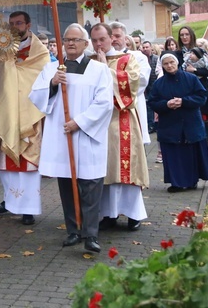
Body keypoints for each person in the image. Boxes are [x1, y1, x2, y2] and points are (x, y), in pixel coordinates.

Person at [29, 24, 113, 253]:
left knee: (91, 184)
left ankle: (91, 234)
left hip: (86, 134)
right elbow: (36, 97)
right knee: (67, 183)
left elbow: (105, 102)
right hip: (62, 133)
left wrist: (81, 122)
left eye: (76, 40)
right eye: (67, 39)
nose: (71, 43)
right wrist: (53, 84)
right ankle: (73, 230)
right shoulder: (52, 69)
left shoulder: (99, 69)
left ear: (87, 44)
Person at [0, 11, 50, 225]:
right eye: (11, 23)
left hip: (30, 113)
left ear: (28, 25)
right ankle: (10, 200)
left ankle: (28, 208)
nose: (14, 27)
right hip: (6, 112)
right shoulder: (2, 52)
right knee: (5, 162)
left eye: (19, 23)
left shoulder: (40, 53)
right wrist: (6, 63)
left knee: (27, 164)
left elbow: (43, 80)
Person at [91, 23, 149, 232]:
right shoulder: (90, 61)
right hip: (99, 124)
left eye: (103, 39)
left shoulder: (127, 60)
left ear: (111, 39)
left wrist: (104, 68)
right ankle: (109, 213)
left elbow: (135, 84)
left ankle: (133, 214)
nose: (99, 44)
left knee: (126, 167)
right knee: (105, 170)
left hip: (121, 119)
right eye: (95, 40)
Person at [148, 54, 208, 193]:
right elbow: (152, 102)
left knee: (191, 154)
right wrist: (166, 104)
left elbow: (202, 96)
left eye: (172, 62)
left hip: (190, 122)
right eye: (166, 64)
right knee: (173, 156)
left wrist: (184, 101)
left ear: (177, 63)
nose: (169, 66)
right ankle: (176, 182)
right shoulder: (159, 83)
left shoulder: (191, 78)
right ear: (162, 66)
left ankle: (192, 181)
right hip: (170, 125)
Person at [184, 47, 208, 143]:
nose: (191, 55)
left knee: (204, 117)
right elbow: (184, 69)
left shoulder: (204, 61)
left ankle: (205, 141)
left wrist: (194, 70)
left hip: (203, 88)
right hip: (190, 89)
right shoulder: (186, 60)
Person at [141, 40, 159, 134]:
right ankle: (150, 125)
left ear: (151, 48)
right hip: (145, 88)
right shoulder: (140, 58)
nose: (145, 49)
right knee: (148, 107)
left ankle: (154, 124)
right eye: (143, 47)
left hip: (154, 85)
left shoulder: (156, 59)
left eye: (147, 47)